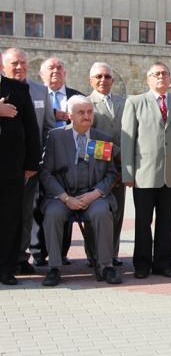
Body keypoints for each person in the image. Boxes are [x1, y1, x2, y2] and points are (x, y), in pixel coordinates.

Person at [39, 95, 122, 286]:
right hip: (63, 196)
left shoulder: (102, 139)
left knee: (102, 212)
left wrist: (95, 194)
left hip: (93, 196)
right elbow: (46, 173)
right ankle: (54, 268)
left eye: (90, 112)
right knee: (52, 213)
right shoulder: (56, 137)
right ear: (70, 115)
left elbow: (111, 174)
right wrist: (66, 198)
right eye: (81, 112)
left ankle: (106, 266)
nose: (86, 116)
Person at [121, 62, 171, 279]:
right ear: (148, 79)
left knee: (166, 222)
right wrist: (128, 173)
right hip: (144, 174)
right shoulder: (135, 103)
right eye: (156, 74)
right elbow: (128, 141)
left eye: (165, 74)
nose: (161, 77)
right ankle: (142, 264)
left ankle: (163, 264)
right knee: (143, 223)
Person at [2, 48, 55, 274]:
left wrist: (34, 164)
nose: (19, 67)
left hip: (18, 168)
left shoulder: (27, 89)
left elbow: (38, 129)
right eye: (14, 63)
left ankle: (13, 263)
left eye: (23, 63)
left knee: (17, 217)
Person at [38, 57, 84, 265]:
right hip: (39, 159)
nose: (55, 71)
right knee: (37, 206)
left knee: (64, 204)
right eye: (51, 68)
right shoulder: (34, 95)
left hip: (68, 162)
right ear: (41, 74)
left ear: (65, 73)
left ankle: (62, 252)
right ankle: (39, 251)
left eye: (59, 68)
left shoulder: (77, 97)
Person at [0, 68, 40, 285]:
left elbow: (31, 127)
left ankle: (6, 268)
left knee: (9, 219)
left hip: (11, 168)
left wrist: (31, 165)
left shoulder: (17, 88)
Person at [87, 62, 126, 267]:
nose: (103, 80)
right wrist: (117, 154)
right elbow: (87, 138)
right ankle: (94, 255)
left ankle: (113, 252)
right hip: (96, 170)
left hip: (121, 169)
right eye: (99, 76)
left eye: (107, 77)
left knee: (117, 212)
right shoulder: (85, 104)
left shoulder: (124, 102)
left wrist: (124, 163)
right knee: (97, 212)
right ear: (91, 80)